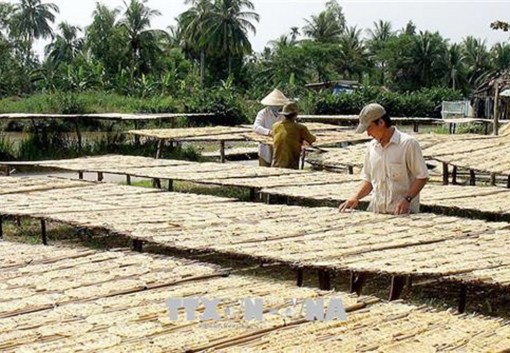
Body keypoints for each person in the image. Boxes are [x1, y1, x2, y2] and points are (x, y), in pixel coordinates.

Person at [339, 103, 428, 215]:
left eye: (369, 128)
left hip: (403, 213)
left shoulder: (408, 144)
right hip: (377, 210)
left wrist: (407, 200)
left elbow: (422, 177)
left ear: (381, 122)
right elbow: (369, 180)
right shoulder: (372, 147)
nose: (368, 134)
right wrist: (355, 197)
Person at [271, 102, 316, 169]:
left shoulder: (275, 126)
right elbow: (311, 139)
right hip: (291, 164)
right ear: (296, 115)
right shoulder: (300, 128)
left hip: (276, 163)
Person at [253, 88, 289, 166]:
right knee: (264, 168)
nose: (277, 107)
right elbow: (256, 127)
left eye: (279, 105)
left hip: (280, 145)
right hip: (265, 146)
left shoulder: (284, 115)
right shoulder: (263, 113)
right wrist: (269, 132)